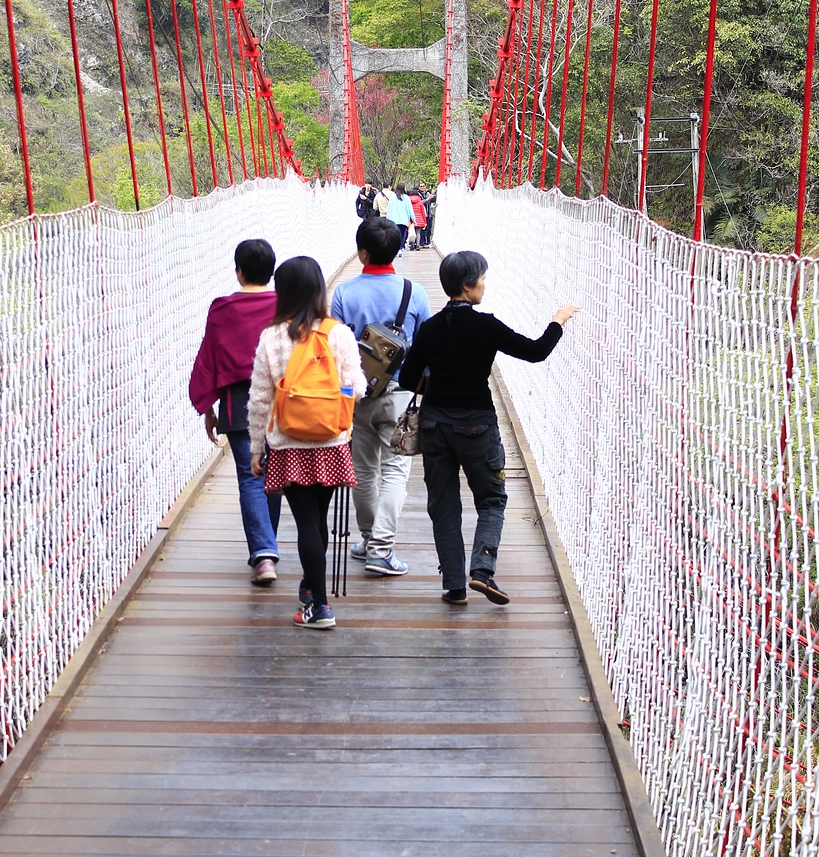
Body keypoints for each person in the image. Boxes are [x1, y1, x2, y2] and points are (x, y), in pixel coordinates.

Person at [398, 250, 579, 607]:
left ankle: (454, 585)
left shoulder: (430, 328)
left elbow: (406, 379)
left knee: (443, 505)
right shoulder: (486, 326)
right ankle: (481, 569)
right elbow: (536, 351)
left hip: (434, 426)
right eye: (482, 278)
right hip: (477, 427)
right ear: (468, 285)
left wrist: (438, 380)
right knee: (492, 499)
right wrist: (558, 321)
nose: (484, 284)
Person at [248, 257, 363, 629]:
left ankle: (321, 607)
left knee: (306, 524)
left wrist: (256, 448)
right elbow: (357, 387)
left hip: (288, 444)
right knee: (318, 521)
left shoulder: (271, 338)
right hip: (332, 441)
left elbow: (259, 400)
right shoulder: (338, 334)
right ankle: (312, 590)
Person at [331, 216, 430, 576]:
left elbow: (336, 350)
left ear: (362, 253)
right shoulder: (414, 292)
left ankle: (369, 539)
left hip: (357, 396)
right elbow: (426, 347)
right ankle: (381, 549)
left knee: (363, 471)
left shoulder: (343, 293)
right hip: (401, 395)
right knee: (395, 472)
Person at [189, 238, 281, 585]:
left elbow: (209, 359)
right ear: (271, 271)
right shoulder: (286, 306)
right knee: (274, 474)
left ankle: (264, 554)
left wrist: (208, 408)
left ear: (239, 271)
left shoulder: (222, 310)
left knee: (251, 475)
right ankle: (266, 547)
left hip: (240, 403)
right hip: (282, 402)